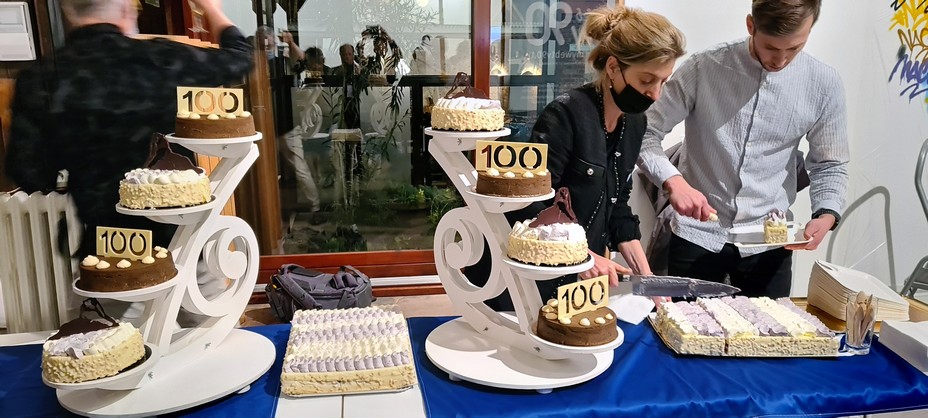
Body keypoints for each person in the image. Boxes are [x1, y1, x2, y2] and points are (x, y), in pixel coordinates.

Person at [465, 5, 685, 310]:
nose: (656, 94)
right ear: (612, 68)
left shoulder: (636, 124)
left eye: (663, 81)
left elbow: (618, 207)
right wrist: (582, 256)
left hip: (581, 284)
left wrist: (647, 278)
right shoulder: (565, 115)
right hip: (535, 276)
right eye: (647, 80)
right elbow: (533, 205)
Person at [6, 0, 252, 264]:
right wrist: (211, 8)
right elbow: (238, 58)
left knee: (117, 297)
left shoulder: (40, 78)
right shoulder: (159, 59)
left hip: (109, 242)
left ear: (67, 12)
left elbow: (27, 171)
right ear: (126, 10)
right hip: (181, 235)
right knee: (203, 297)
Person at [636, 0, 849, 298]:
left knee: (768, 339)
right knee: (686, 337)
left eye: (794, 48)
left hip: (769, 243)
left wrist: (826, 213)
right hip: (697, 235)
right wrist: (673, 182)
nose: (781, 60)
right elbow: (644, 132)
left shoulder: (823, 83)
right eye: (771, 48)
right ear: (751, 26)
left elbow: (830, 163)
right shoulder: (704, 68)